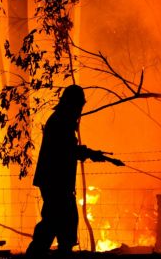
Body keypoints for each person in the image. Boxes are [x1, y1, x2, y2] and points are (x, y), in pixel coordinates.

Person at [26, 84, 122, 257]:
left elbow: (68, 149)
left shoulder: (62, 120)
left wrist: (89, 153)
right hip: (54, 181)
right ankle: (36, 255)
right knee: (54, 220)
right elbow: (66, 150)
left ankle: (58, 252)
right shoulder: (60, 122)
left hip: (56, 181)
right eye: (78, 106)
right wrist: (90, 153)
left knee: (63, 220)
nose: (79, 110)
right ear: (71, 104)